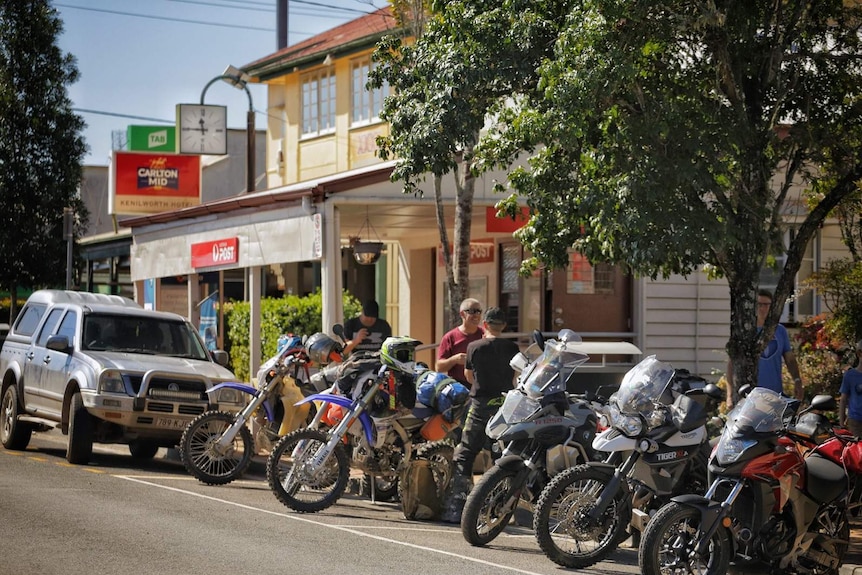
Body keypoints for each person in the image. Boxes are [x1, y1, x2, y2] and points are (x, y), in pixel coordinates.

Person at [442, 306, 520, 523]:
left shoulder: (474, 347)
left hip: (479, 405)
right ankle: (497, 505)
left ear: (485, 325)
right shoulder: (512, 348)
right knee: (499, 454)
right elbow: (515, 378)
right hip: (503, 406)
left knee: (466, 452)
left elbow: (468, 376)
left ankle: (456, 506)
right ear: (503, 325)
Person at [726, 289, 804, 408]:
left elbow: (790, 359)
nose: (762, 308)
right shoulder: (745, 331)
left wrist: (797, 380)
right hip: (748, 397)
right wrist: (729, 395)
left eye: (766, 305)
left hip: (774, 395)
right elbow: (732, 365)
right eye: (759, 304)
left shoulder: (780, 331)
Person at [435, 298, 485, 387]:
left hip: (482, 385)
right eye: (472, 311)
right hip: (458, 387)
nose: (476, 315)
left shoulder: (485, 334)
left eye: (479, 311)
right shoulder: (450, 337)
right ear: (462, 314)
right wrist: (454, 359)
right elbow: (439, 367)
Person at [840, 340, 862, 437]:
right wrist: (841, 421)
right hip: (855, 421)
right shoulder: (850, 375)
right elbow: (843, 399)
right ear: (859, 353)